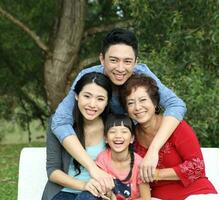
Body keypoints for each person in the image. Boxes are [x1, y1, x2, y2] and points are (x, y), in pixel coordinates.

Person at [51, 28, 187, 189]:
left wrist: (153, 150)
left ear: (136, 62)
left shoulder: (142, 75)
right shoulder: (89, 79)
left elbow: (176, 105)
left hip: (132, 151)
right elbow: (59, 121)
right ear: (102, 59)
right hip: (101, 155)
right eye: (114, 60)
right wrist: (92, 168)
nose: (121, 68)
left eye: (127, 61)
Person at [120, 74, 219, 200]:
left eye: (143, 100)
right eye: (130, 103)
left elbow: (197, 166)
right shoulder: (132, 136)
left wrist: (157, 174)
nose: (137, 107)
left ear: (155, 103)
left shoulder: (175, 125)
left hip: (194, 192)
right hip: (157, 196)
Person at [42, 72, 114, 200]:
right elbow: (53, 171)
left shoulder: (113, 127)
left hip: (98, 193)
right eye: (87, 96)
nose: (92, 104)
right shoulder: (60, 124)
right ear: (76, 96)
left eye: (100, 99)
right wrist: (84, 185)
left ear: (107, 101)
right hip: (63, 192)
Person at [77, 114, 151, 200]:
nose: (118, 136)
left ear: (132, 139)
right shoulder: (103, 158)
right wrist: (109, 195)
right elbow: (103, 191)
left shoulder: (140, 163)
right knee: (86, 195)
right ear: (105, 139)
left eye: (124, 131)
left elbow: (146, 198)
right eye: (112, 131)